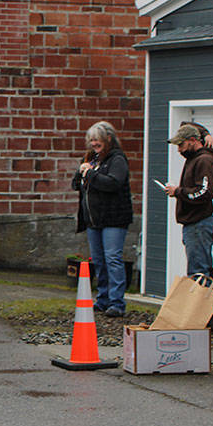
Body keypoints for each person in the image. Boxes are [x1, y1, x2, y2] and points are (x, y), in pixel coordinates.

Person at [71, 120, 133, 317]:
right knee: (98, 260)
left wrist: (91, 174)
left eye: (97, 140)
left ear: (108, 138)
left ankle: (117, 302)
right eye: (91, 140)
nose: (94, 143)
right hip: (93, 220)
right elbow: (76, 184)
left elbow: (113, 183)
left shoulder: (117, 160)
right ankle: (103, 298)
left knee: (112, 258)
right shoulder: (92, 158)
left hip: (114, 219)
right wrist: (82, 171)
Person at [164, 123, 213, 289]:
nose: (179, 150)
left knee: (198, 273)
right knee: (205, 270)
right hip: (195, 224)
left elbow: (204, 193)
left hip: (199, 224)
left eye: (181, 144)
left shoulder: (204, 160)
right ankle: (209, 312)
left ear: (192, 140)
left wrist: (178, 192)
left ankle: (200, 312)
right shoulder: (194, 159)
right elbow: (185, 124)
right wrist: (206, 133)